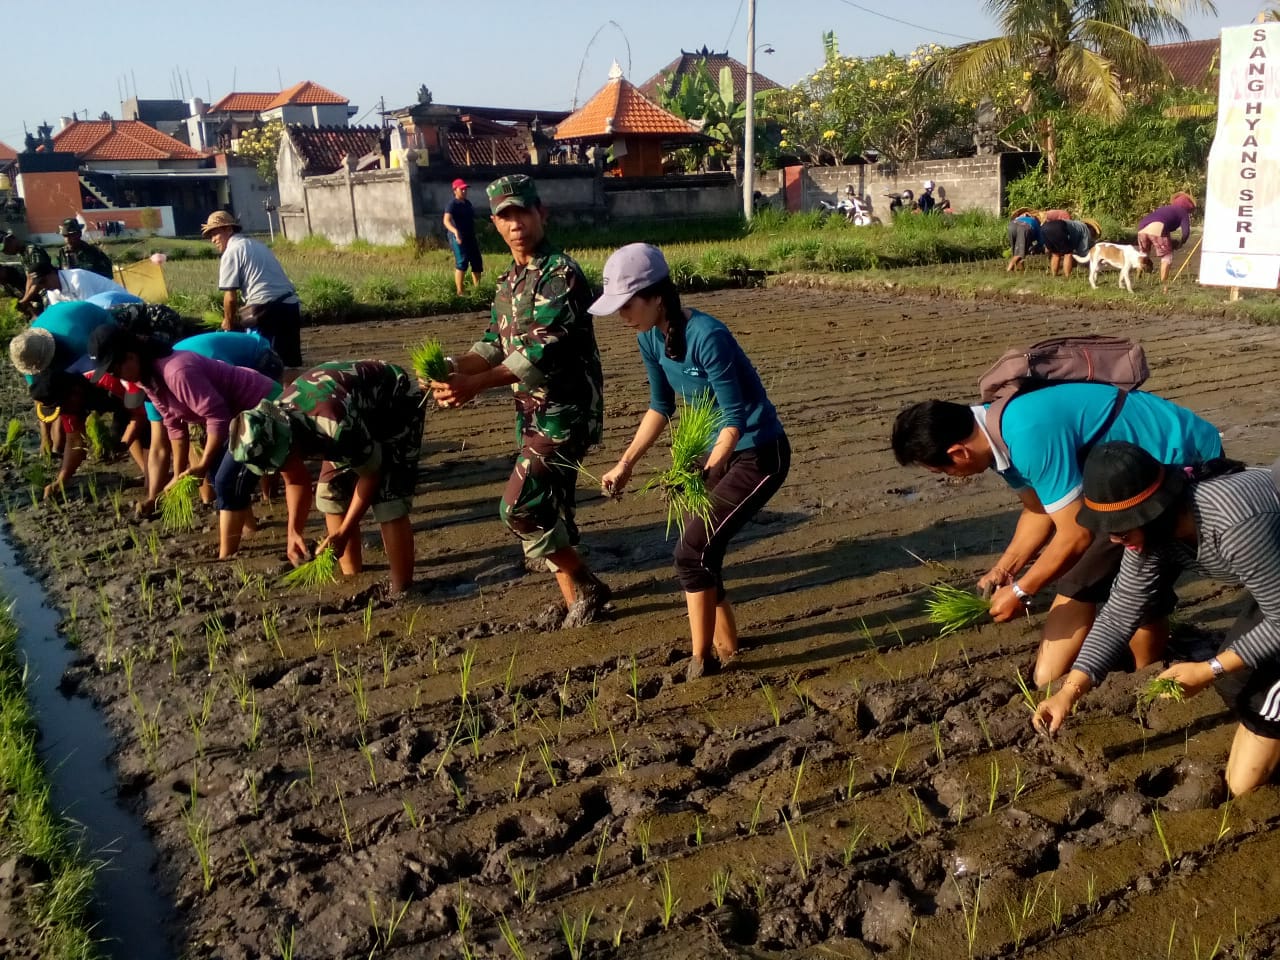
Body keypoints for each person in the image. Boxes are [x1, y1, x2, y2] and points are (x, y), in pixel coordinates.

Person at [891, 384, 1223, 686]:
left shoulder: (1026, 434)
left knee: (1092, 580)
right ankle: (1119, 671)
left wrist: (1022, 590)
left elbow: (1075, 535)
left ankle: (1137, 678)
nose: (951, 477)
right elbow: (1038, 510)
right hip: (1126, 478)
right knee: (1109, 577)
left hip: (1178, 459)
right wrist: (1004, 570)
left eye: (943, 471)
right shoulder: (997, 435)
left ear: (958, 453)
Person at [1033, 443, 1280, 796]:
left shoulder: (1233, 524)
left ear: (1155, 510)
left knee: (1260, 716)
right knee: (1235, 680)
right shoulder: (1148, 535)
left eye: (1123, 530)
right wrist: (1069, 692)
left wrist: (1208, 668)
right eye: (1111, 531)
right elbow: (1121, 611)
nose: (1116, 538)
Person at [592, 244, 790, 679]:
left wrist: (704, 470)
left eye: (627, 304)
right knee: (704, 551)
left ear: (657, 296)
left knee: (690, 552)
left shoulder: (707, 336)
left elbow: (734, 418)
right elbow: (661, 406)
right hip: (717, 456)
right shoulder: (649, 337)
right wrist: (625, 463)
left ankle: (701, 661)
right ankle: (729, 647)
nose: (623, 316)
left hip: (758, 454)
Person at [429, 174, 609, 628]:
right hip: (530, 414)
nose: (516, 224)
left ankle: (587, 585)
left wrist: (476, 385)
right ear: (494, 223)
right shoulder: (508, 281)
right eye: (506, 216)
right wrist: (453, 367)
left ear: (541, 214)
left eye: (523, 213)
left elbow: (541, 350)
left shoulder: (561, 275)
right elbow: (493, 342)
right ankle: (574, 601)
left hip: (565, 413)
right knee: (552, 510)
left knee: (520, 507)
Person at [229, 360, 425, 594]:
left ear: (289, 440)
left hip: (393, 402)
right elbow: (295, 480)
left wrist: (342, 533)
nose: (283, 464)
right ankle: (352, 578)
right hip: (348, 412)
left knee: (389, 501)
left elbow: (370, 475)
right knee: (330, 495)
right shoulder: (273, 426)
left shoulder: (335, 425)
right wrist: (294, 533)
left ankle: (402, 589)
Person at [87, 325, 279, 558]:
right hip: (236, 418)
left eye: (116, 370)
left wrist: (201, 463)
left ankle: (225, 556)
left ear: (131, 355)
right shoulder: (148, 380)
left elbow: (217, 416)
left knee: (226, 480)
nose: (117, 378)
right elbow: (174, 427)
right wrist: (177, 478)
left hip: (264, 408)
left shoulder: (176, 372)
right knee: (217, 475)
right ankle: (249, 529)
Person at [8, 301, 146, 496]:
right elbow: (76, 442)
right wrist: (60, 481)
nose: (64, 411)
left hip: (102, 326)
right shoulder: (31, 362)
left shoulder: (95, 364)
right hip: (77, 380)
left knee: (129, 424)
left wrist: (126, 439)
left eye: (63, 406)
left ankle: (151, 473)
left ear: (73, 393)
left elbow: (139, 412)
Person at [140, 331, 283, 510]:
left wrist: (202, 464)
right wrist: (169, 483)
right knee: (221, 475)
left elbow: (220, 411)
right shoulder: (150, 388)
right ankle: (251, 511)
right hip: (231, 401)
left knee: (261, 458)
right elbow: (167, 438)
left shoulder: (179, 373)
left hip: (257, 356)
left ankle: (269, 497)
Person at [200, 210, 303, 371]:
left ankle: (265, 394)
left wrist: (228, 321)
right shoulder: (258, 245)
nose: (213, 239)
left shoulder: (231, 252)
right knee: (288, 364)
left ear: (229, 229)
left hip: (265, 311)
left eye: (215, 233)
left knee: (260, 362)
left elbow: (230, 297)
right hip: (290, 305)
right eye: (210, 236)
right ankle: (290, 396)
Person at [1137, 192, 1195, 286]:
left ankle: (1138, 278)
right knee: (1167, 257)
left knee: (1144, 254)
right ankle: (1163, 283)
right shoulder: (1182, 212)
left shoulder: (1165, 208)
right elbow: (1186, 232)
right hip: (1157, 228)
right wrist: (1182, 242)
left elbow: (1163, 222)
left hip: (1142, 228)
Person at [443, 178, 483, 296]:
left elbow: (474, 219)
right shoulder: (452, 205)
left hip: (469, 235)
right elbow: (446, 221)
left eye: (466, 189)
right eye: (462, 189)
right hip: (457, 236)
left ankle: (477, 289)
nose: (465, 191)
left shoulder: (467, 204)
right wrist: (455, 232)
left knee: (477, 261)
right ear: (455, 190)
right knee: (462, 262)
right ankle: (460, 291)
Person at [2, 229, 53, 315]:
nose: (6, 252)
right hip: (40, 294)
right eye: (4, 251)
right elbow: (29, 278)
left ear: (12, 240)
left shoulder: (32, 250)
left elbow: (38, 280)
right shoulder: (23, 254)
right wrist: (25, 298)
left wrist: (25, 300)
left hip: (49, 292)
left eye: (6, 247)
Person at [33, 265, 136, 305]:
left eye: (44, 281)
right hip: (102, 309)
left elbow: (90, 308)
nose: (43, 286)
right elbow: (61, 313)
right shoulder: (52, 292)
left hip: (122, 304)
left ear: (52, 273)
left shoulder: (76, 278)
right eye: (40, 284)